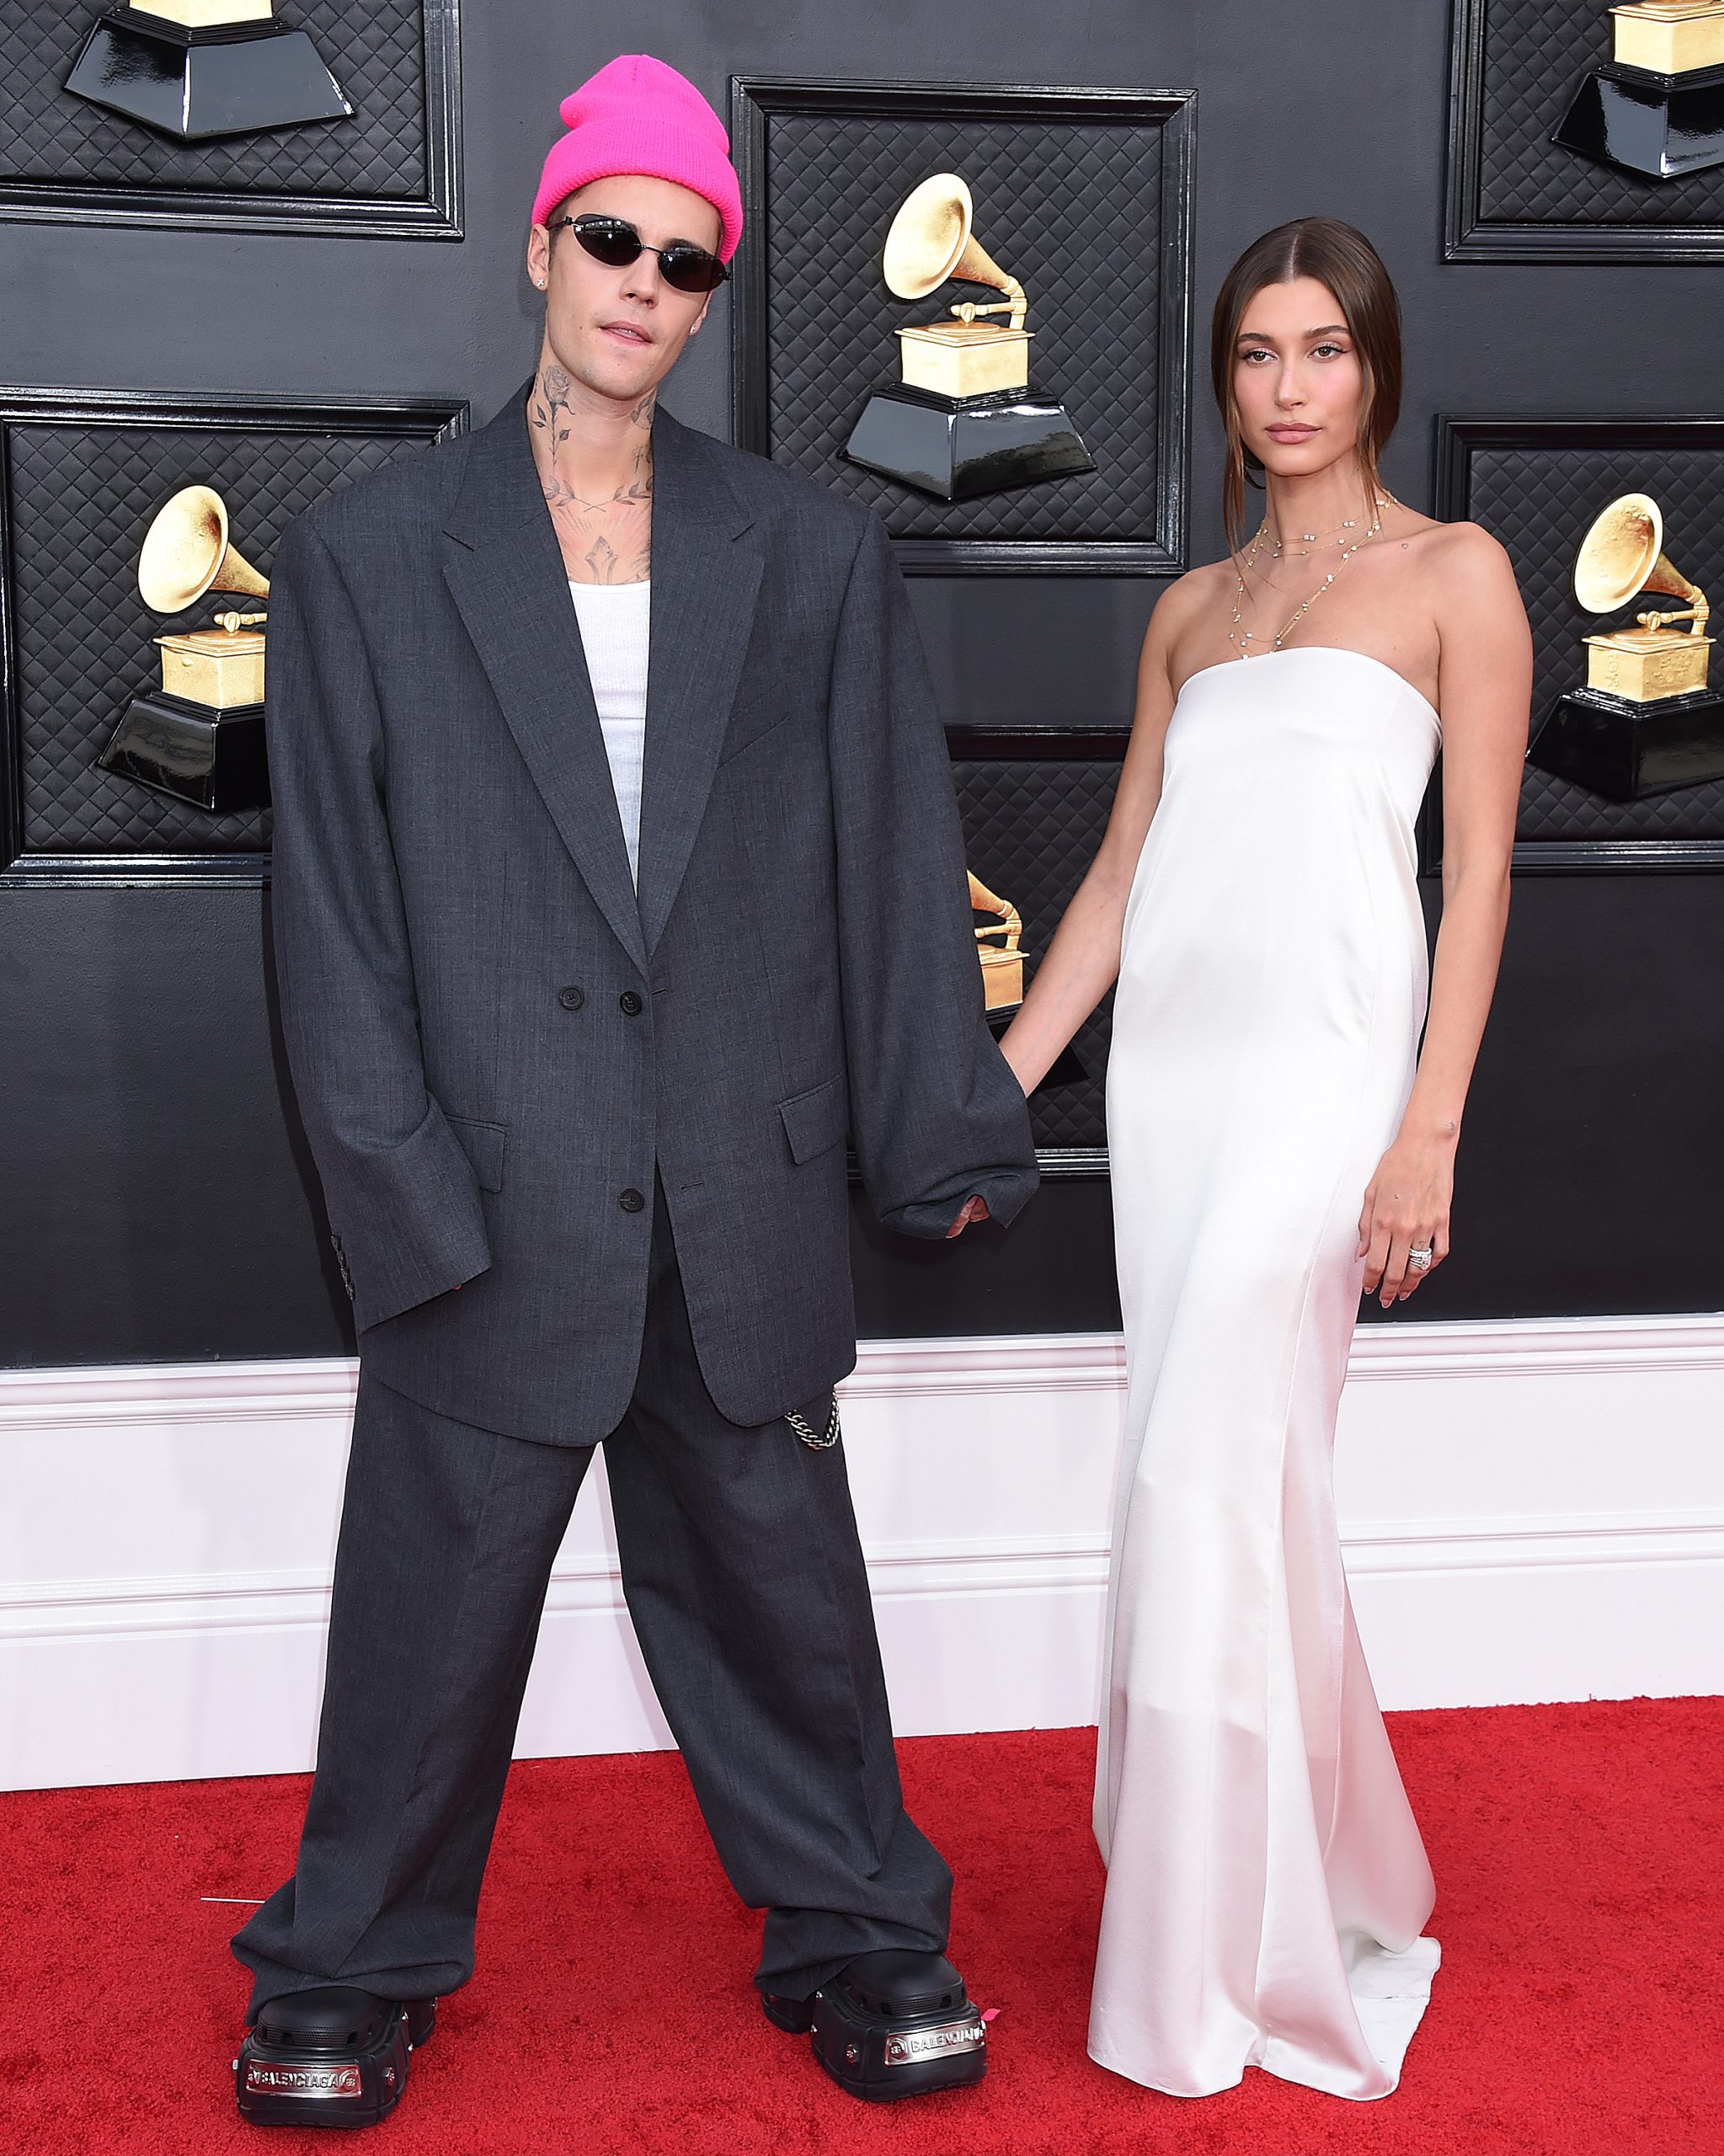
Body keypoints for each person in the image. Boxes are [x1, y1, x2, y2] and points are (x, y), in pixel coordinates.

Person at [231, 53, 1035, 2127]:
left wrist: (933, 1121)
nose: (644, 283)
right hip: (480, 1189)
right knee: (423, 1636)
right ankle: (345, 1964)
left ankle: (860, 1935)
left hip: (739, 1180)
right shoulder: (367, 561)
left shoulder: (812, 554)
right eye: (614, 238)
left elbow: (883, 855)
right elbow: (332, 925)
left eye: (685, 262)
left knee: (786, 1607)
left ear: (704, 299)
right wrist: (398, 1190)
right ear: (543, 245)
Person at [1000, 218, 1529, 2099]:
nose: (1289, 388)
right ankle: (1295, 1870)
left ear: (1373, 364)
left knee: (1219, 1463)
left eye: (1321, 349)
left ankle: (1213, 1959)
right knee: (1209, 1475)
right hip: (1174, 1085)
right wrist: (1011, 1074)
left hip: (1325, 1081)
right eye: (1254, 354)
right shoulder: (1190, 612)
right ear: (1222, 378)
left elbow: (1472, 875)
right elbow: (1120, 875)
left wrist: (1426, 1129)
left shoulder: (1457, 576)